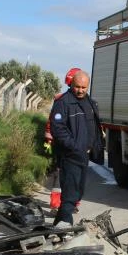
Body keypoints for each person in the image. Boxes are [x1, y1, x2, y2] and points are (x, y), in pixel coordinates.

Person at [49, 70, 103, 227]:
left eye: (83, 87)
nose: (80, 90)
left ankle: (57, 226)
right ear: (71, 84)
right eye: (77, 86)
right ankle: (65, 228)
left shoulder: (90, 103)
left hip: (83, 156)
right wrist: (75, 146)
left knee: (77, 192)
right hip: (70, 155)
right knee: (70, 195)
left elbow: (93, 126)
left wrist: (93, 146)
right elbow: (57, 129)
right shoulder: (63, 103)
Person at [44, 68, 80, 210]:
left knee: (70, 173)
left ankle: (69, 202)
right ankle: (58, 202)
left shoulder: (84, 102)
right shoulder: (62, 100)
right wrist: (49, 138)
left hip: (73, 144)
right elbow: (52, 121)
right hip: (65, 143)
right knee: (62, 172)